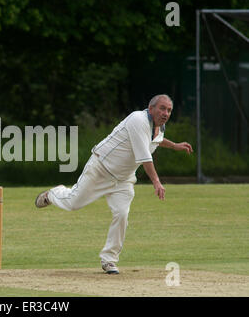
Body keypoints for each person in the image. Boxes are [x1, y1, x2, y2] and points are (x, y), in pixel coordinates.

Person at [35, 94, 193, 274]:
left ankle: (109, 260)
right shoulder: (138, 120)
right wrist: (156, 182)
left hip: (123, 179)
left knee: (121, 214)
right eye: (162, 108)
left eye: (169, 110)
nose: (166, 113)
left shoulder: (159, 127)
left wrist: (174, 145)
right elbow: (145, 157)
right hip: (101, 168)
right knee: (73, 203)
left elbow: (155, 140)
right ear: (151, 109)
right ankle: (53, 194)